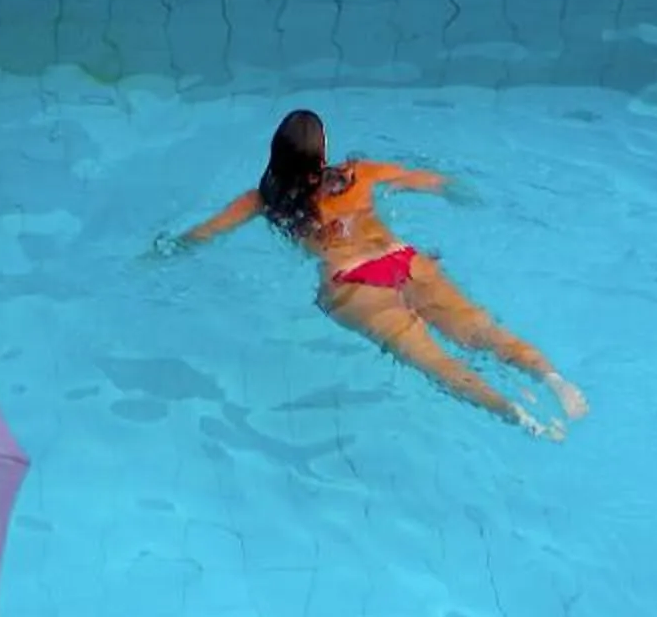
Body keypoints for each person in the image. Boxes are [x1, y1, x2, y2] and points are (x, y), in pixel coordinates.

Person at [179, 108, 587, 437]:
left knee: (439, 365)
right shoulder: (362, 174)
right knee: (484, 333)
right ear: (323, 157)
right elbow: (435, 182)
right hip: (402, 259)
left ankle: (518, 416)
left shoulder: (263, 201)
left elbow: (202, 235)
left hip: (352, 285)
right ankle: (554, 381)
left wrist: (162, 250)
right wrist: (466, 193)